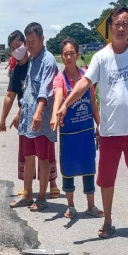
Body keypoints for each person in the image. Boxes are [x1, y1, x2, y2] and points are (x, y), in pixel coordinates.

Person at [56, 7, 128, 239]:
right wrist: (65, 104)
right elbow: (84, 84)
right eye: (116, 24)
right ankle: (108, 222)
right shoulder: (101, 57)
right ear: (110, 27)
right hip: (109, 133)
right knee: (106, 180)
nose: (120, 28)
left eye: (125, 23)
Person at [0, 30, 59, 199]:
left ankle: (47, 190)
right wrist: (7, 117)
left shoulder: (42, 61)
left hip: (40, 116)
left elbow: (43, 90)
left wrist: (36, 112)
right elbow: (19, 94)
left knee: (45, 155)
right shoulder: (20, 68)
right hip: (27, 117)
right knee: (28, 155)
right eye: (12, 48)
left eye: (19, 45)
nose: (17, 49)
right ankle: (28, 193)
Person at [50, 38, 103, 219]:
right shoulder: (59, 79)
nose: (68, 57)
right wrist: (55, 114)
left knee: (89, 168)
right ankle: (71, 206)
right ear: (62, 57)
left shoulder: (87, 76)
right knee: (68, 169)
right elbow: (58, 97)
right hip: (69, 134)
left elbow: (93, 102)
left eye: (72, 53)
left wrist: (100, 124)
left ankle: (91, 206)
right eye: (65, 54)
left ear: (78, 55)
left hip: (86, 132)